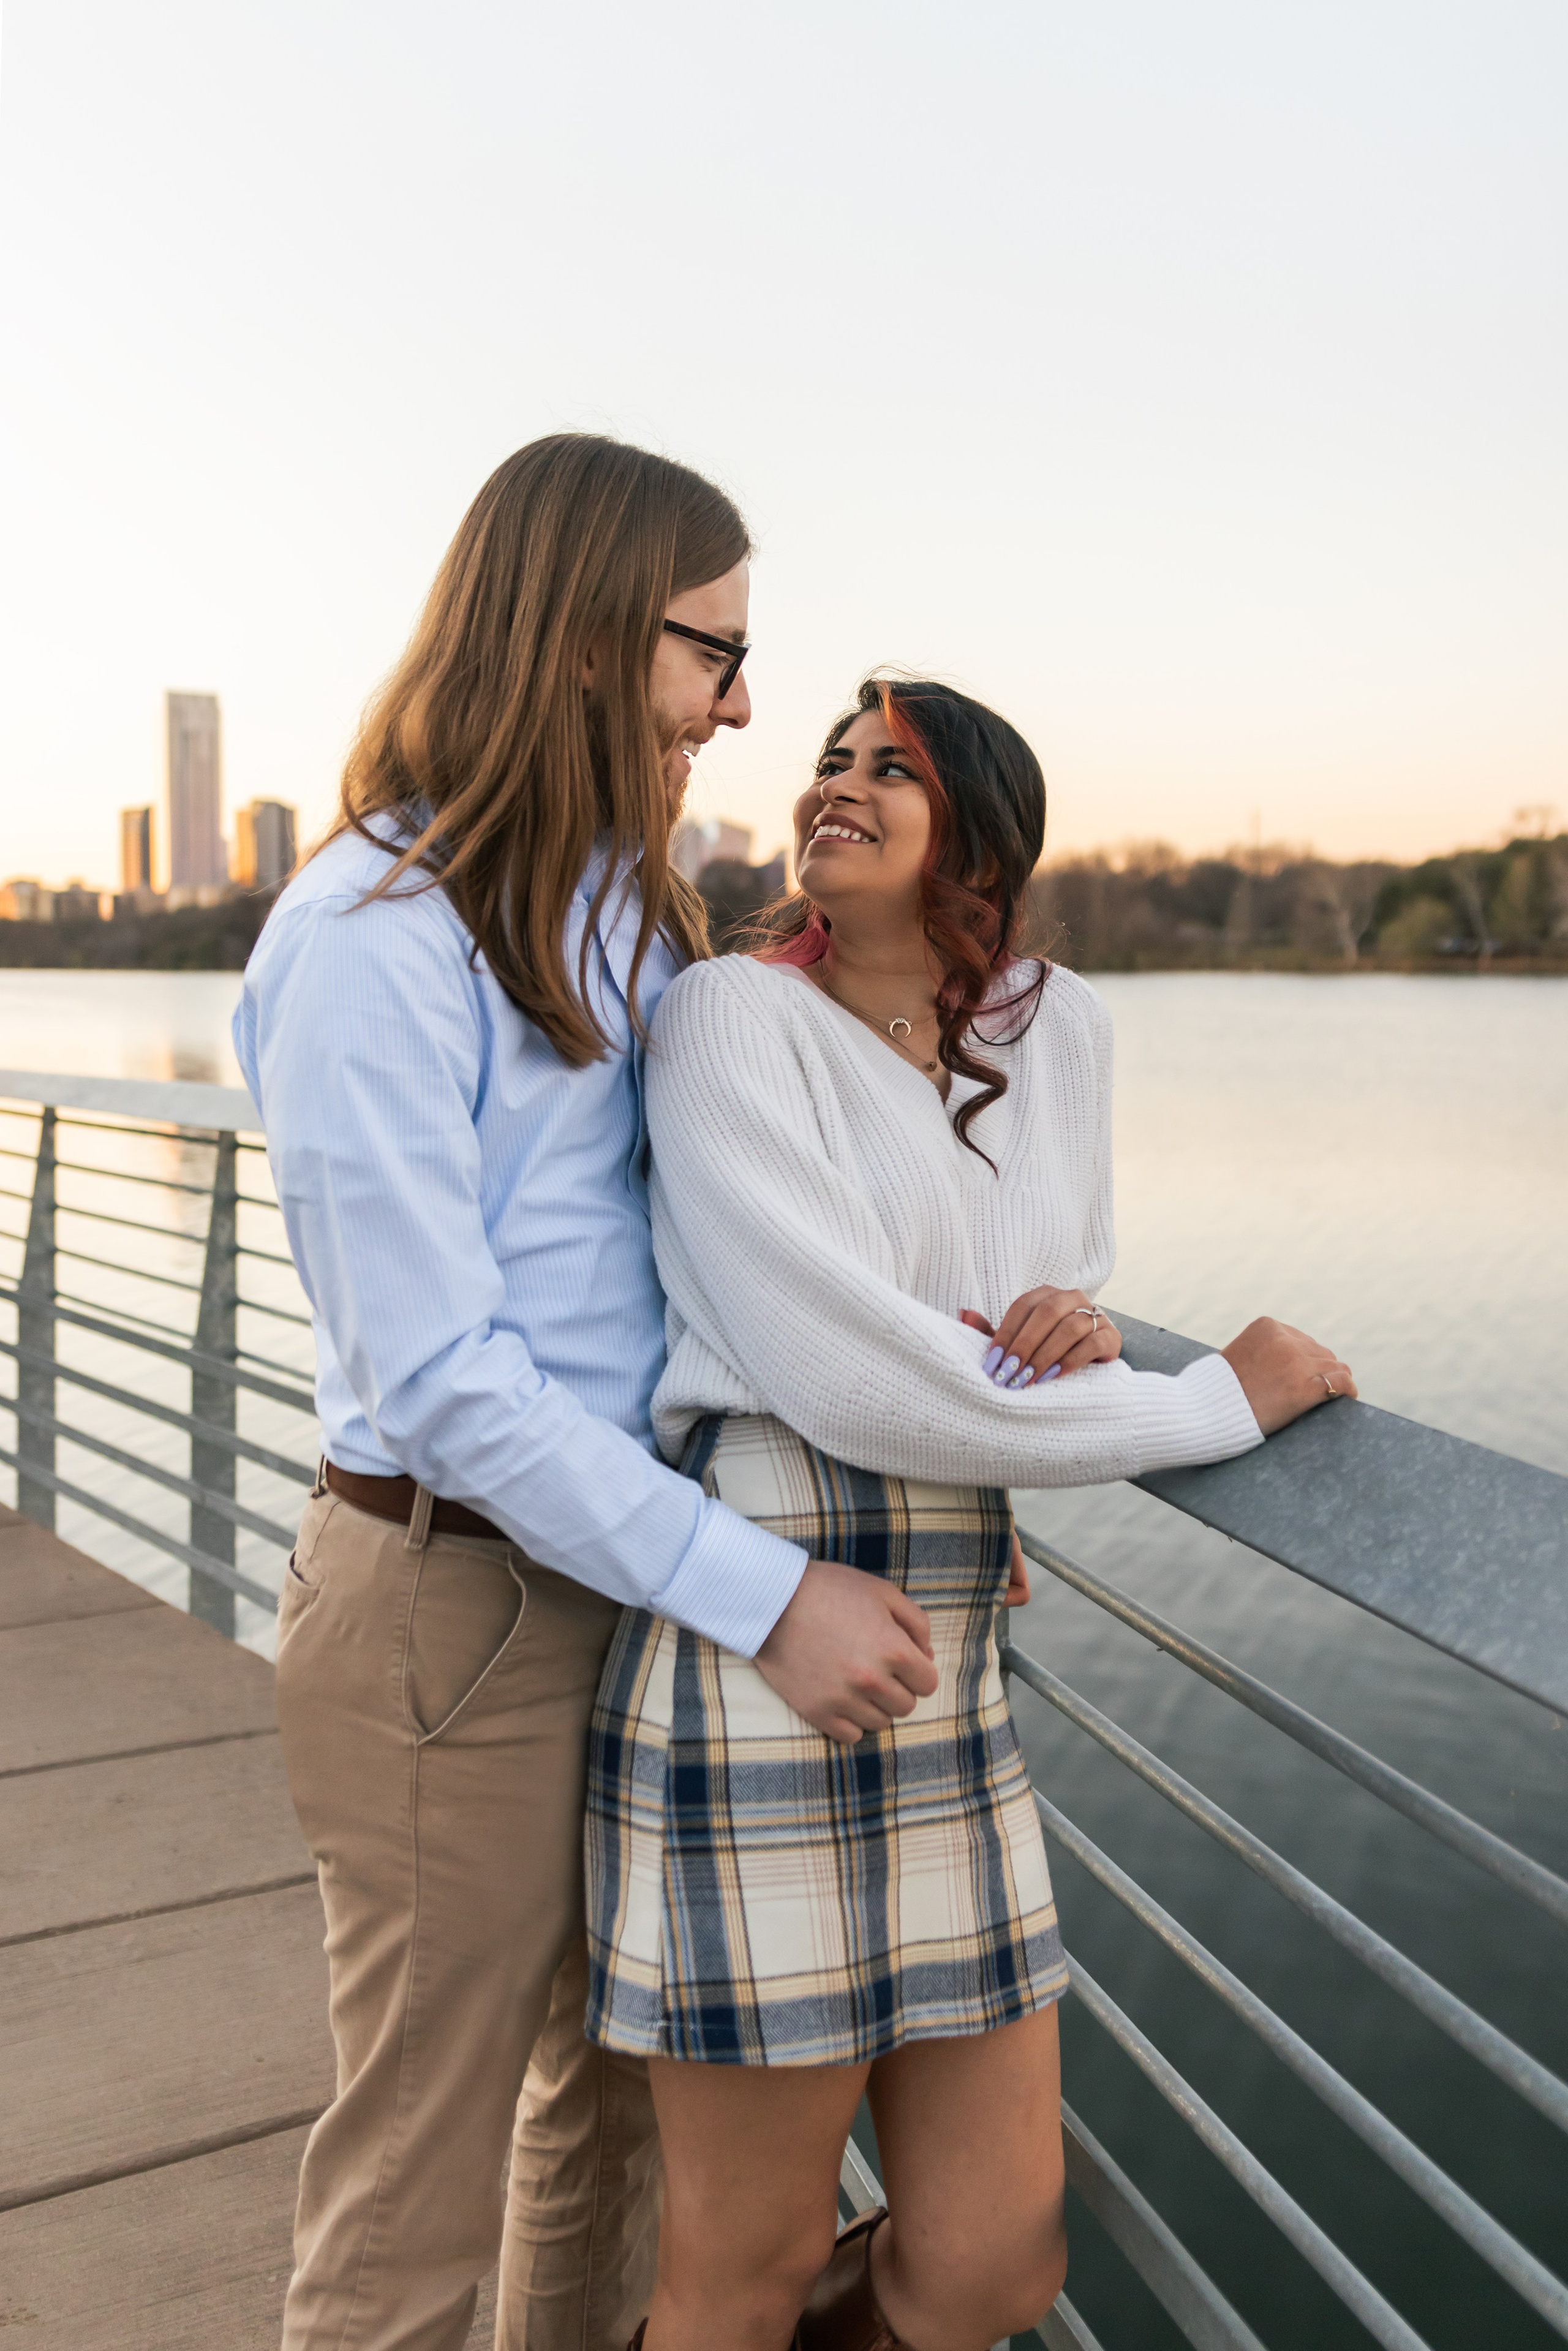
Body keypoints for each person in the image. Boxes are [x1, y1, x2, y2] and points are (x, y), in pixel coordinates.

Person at [233, 440, 942, 2351]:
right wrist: (773, 1596)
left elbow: (716, 1277)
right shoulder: (376, 938)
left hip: (630, 1581)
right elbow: (448, 1385)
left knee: (609, 2127)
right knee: (414, 2196)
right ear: (578, 631)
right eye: (714, 650)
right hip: (450, 1617)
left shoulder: (630, 910)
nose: (744, 703)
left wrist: (913, 1495)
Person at [586, 676, 1356, 2351]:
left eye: (892, 770)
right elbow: (857, 1375)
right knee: (754, 2260)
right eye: (830, 762)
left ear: (983, 835)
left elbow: (1015, 1299)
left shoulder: (1055, 1026)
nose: (834, 787)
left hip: (956, 1646)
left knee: (995, 2264)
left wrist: (1064, 1327)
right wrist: (1211, 1400)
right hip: (766, 1626)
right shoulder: (726, 1018)